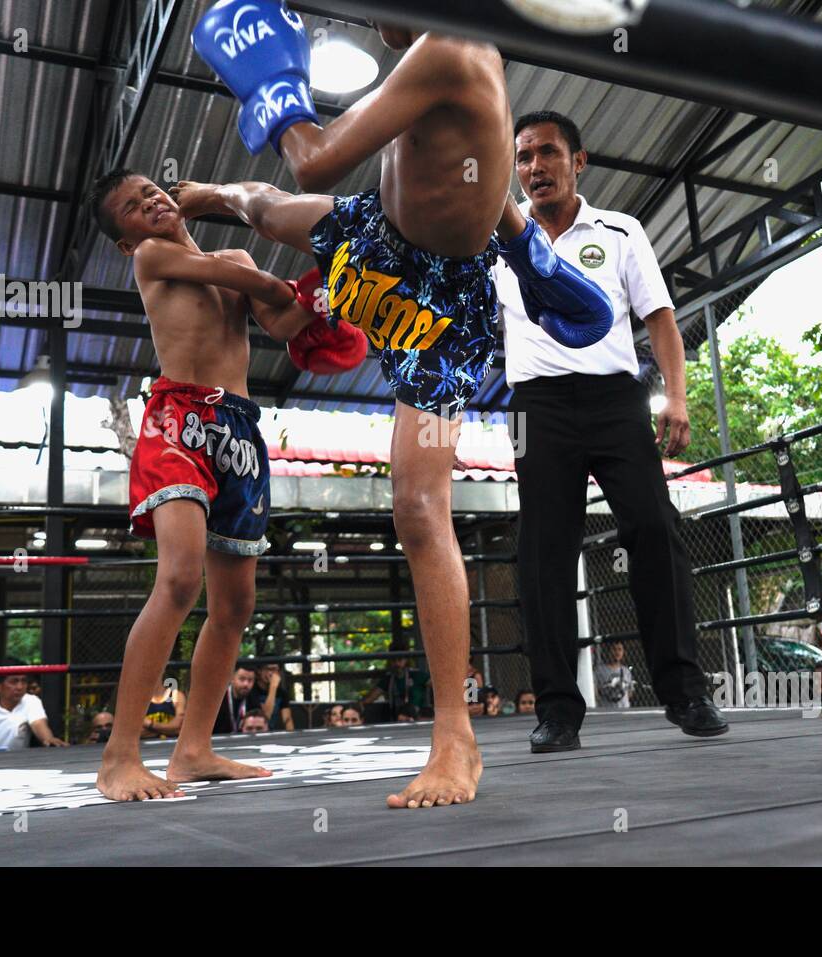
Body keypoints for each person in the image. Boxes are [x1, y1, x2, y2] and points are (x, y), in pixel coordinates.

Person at [181, 1, 612, 809]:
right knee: (266, 211)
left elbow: (312, 161)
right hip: (383, 244)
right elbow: (465, 162)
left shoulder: (449, 45)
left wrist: (269, 80)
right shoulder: (445, 57)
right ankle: (203, 191)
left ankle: (457, 736)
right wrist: (528, 247)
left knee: (418, 502)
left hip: (444, 319)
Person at [84, 167, 340, 801]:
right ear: (126, 240)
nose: (150, 202)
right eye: (134, 207)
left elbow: (280, 322)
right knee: (178, 577)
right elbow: (250, 284)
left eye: (152, 191)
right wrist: (293, 284)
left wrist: (329, 301)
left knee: (235, 606)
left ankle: (193, 750)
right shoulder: (153, 257)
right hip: (179, 421)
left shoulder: (232, 251)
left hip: (241, 430)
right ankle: (119, 756)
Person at [495, 109, 726, 752]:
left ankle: (684, 691)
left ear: (579, 161)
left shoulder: (620, 231)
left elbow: (660, 318)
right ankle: (559, 711)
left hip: (616, 400)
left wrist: (674, 400)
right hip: (536, 409)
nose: (534, 167)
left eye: (546, 153)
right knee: (543, 551)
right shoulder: (497, 239)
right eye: (522, 157)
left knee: (654, 529)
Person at [362, 652, 431, 721]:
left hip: (420, 719)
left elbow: (438, 687)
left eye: (400, 659)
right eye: (394, 660)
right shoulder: (388, 679)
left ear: (406, 660)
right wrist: (358, 706)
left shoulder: (417, 675)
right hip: (397, 719)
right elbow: (370, 698)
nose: (397, 663)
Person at [215, 665, 259, 735]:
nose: (246, 684)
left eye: (250, 680)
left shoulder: (254, 699)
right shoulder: (218, 699)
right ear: (232, 678)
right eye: (242, 679)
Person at [250, 664, 295, 731]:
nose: (270, 673)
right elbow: (265, 718)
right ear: (259, 671)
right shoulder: (252, 690)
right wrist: (273, 687)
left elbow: (287, 719)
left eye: (274, 669)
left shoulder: (282, 693)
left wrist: (291, 736)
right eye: (267, 669)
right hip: (255, 733)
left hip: (272, 734)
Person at [593, 641, 635, 710]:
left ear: (623, 652)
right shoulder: (599, 671)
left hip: (624, 709)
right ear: (609, 651)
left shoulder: (626, 671)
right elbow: (595, 692)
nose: (617, 652)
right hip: (606, 709)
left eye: (619, 649)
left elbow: (630, 692)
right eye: (614, 649)